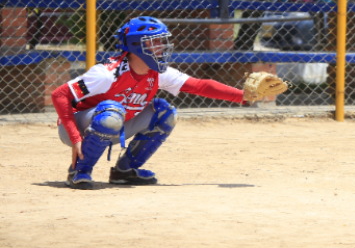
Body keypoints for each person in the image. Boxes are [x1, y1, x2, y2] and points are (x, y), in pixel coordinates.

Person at [52, 16, 256, 189]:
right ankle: (79, 171)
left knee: (164, 112)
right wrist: (75, 135)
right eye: (155, 42)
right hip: (77, 127)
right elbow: (60, 95)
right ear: (135, 46)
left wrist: (242, 96)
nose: (162, 47)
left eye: (162, 41)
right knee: (112, 112)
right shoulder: (107, 74)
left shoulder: (158, 73)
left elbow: (200, 86)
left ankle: (125, 171)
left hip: (112, 123)